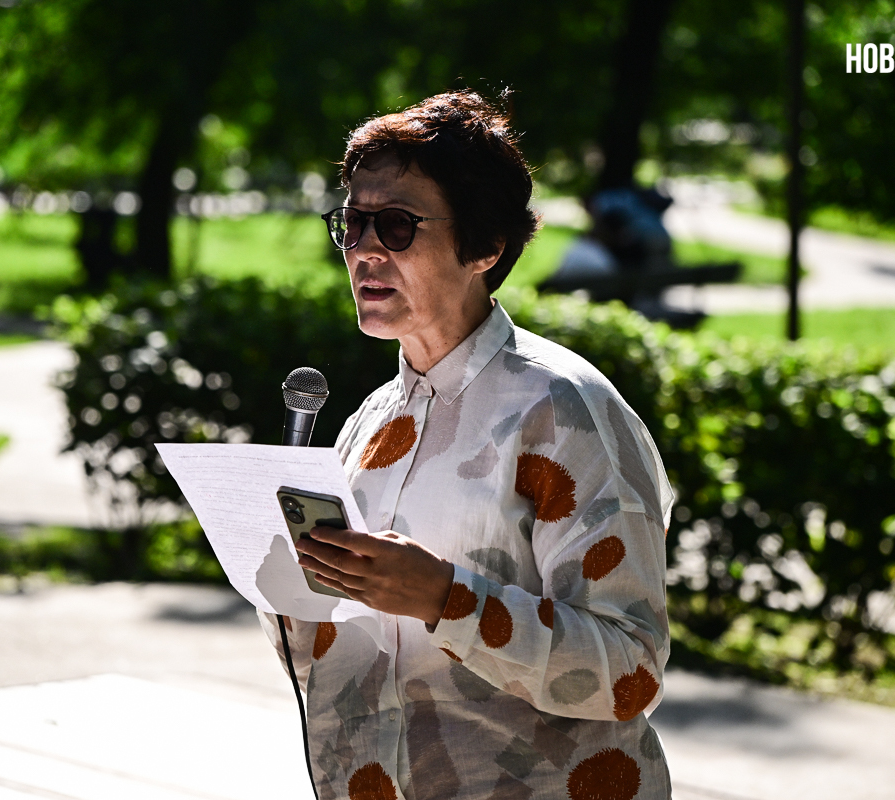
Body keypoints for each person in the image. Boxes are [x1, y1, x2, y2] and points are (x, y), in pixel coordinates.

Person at [260, 90, 674, 800]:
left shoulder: (565, 410)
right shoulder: (368, 425)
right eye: (352, 223)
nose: (363, 249)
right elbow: (342, 668)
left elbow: (628, 671)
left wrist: (444, 598)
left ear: (485, 246)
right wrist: (286, 594)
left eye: (396, 225)